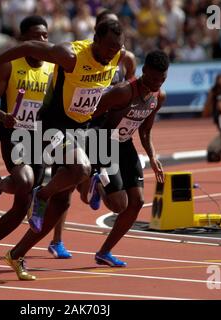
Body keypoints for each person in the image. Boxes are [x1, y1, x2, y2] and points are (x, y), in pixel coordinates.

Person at [0, 19, 125, 280]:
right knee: (32, 182)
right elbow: (27, 48)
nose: (112, 53)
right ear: (95, 40)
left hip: (78, 130)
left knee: (56, 200)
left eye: (116, 48)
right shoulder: (67, 55)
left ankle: (10, 253)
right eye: (108, 47)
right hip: (35, 131)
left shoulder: (116, 55)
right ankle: (15, 189)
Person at [48, 9, 137, 259]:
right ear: (97, 33)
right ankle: (57, 240)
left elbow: (130, 91)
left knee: (114, 201)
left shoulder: (126, 59)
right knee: (66, 187)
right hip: (76, 125)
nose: (113, 46)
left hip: (104, 129)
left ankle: (95, 185)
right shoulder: (82, 55)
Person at [0, 15, 54, 273]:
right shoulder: (9, 65)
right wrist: (3, 116)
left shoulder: (53, 67)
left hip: (40, 139)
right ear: (23, 40)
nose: (42, 40)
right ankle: (3, 185)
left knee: (20, 209)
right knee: (27, 182)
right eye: (36, 36)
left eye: (45, 35)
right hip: (13, 135)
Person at [79, 50, 168, 267]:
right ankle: (96, 180)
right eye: (154, 78)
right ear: (144, 70)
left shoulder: (159, 96)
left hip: (125, 144)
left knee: (136, 202)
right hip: (102, 141)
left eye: (162, 79)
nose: (157, 83)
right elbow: (89, 113)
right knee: (119, 205)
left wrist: (153, 156)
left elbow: (145, 131)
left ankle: (104, 252)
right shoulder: (123, 91)